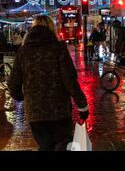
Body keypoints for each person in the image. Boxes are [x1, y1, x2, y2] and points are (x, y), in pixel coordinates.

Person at [7, 15, 89, 151]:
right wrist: (82, 106)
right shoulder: (59, 48)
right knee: (63, 143)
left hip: (35, 112)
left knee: (45, 146)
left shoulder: (23, 51)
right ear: (52, 28)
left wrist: (24, 97)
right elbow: (70, 80)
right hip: (59, 111)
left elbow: (13, 84)